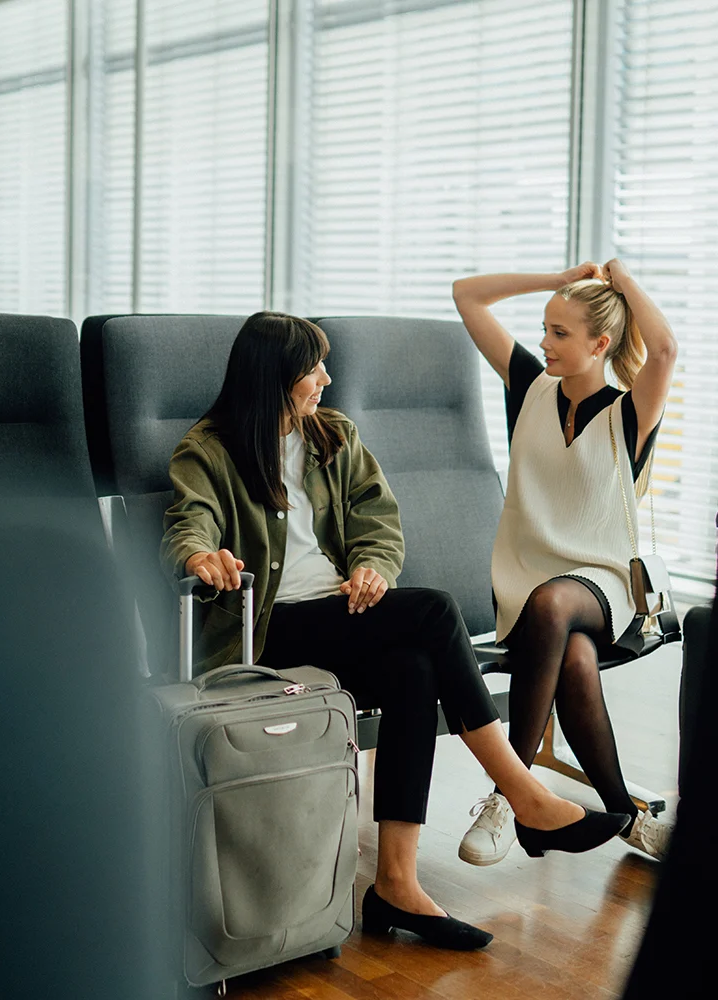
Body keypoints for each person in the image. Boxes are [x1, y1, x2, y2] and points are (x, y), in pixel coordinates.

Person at [161, 311, 631, 951]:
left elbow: (379, 522)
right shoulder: (209, 449)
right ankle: (520, 791)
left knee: (414, 667)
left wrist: (370, 568)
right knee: (435, 611)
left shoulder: (333, 436)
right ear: (273, 379)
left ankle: (395, 884)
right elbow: (189, 523)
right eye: (312, 369)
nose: (326, 379)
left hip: (337, 616)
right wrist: (199, 556)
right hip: (266, 632)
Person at [450, 259, 678, 864]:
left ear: (600, 343)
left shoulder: (629, 412)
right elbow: (467, 295)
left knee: (557, 604)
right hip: (524, 579)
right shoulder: (529, 388)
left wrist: (623, 281)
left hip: (600, 584)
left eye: (561, 333)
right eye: (545, 329)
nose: (545, 343)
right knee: (572, 656)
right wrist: (558, 280)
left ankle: (509, 795)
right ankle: (626, 817)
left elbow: (664, 349)